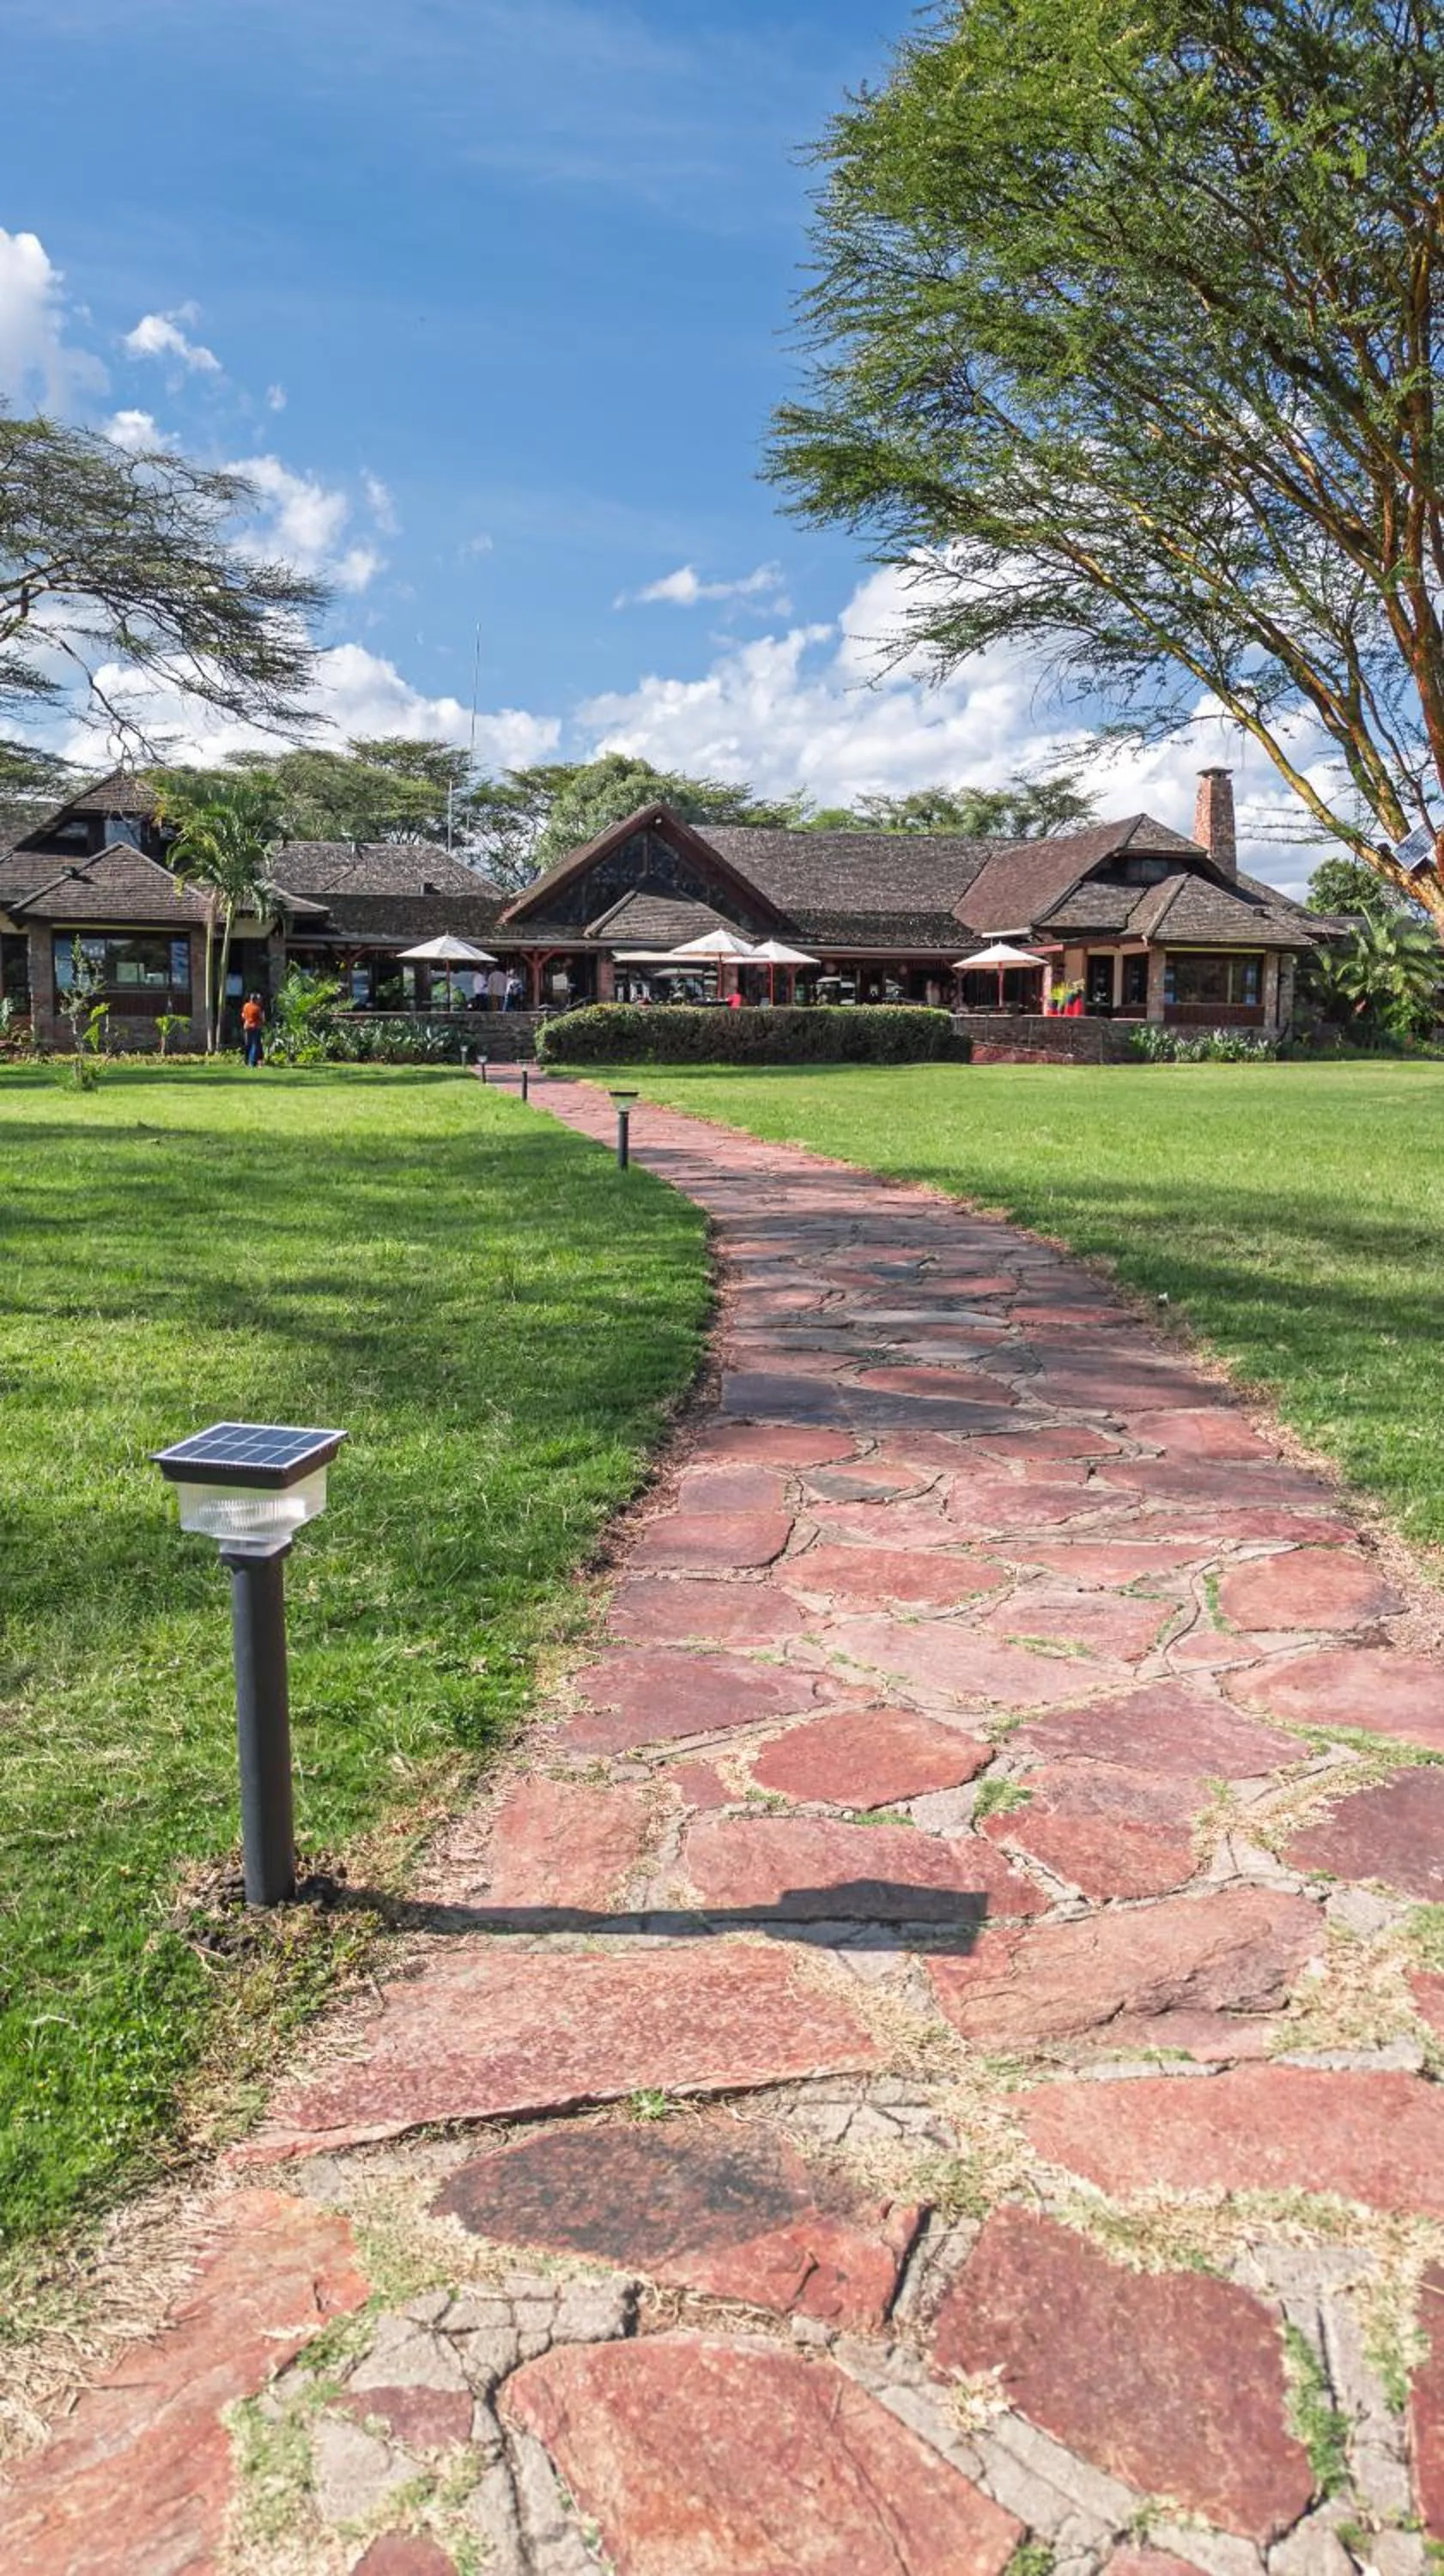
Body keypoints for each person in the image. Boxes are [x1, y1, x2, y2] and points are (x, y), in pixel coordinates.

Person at [240, 991, 264, 1068]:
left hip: (247, 1027)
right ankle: (252, 1062)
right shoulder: (257, 1008)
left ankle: (246, 1061)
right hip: (255, 1027)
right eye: (258, 999)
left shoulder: (246, 1006)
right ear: (255, 1000)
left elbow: (243, 1015)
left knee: (248, 1044)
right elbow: (262, 1019)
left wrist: (247, 1020)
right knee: (255, 1045)